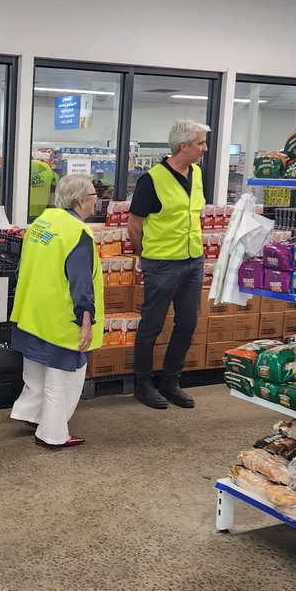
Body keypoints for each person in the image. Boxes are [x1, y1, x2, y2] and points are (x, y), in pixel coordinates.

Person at [9, 174, 104, 449]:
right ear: (81, 201)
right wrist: (86, 321)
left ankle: (31, 415)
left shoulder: (42, 222)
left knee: (36, 370)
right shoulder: (78, 233)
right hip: (60, 319)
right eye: (94, 195)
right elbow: (81, 283)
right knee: (61, 378)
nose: (96, 200)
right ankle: (52, 434)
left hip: (32, 312)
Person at [127, 119, 209, 410]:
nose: (204, 148)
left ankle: (171, 381)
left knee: (187, 323)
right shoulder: (151, 180)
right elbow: (134, 224)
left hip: (192, 261)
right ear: (183, 145)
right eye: (200, 143)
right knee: (152, 326)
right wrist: (143, 254)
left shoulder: (198, 174)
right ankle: (143, 384)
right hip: (161, 263)